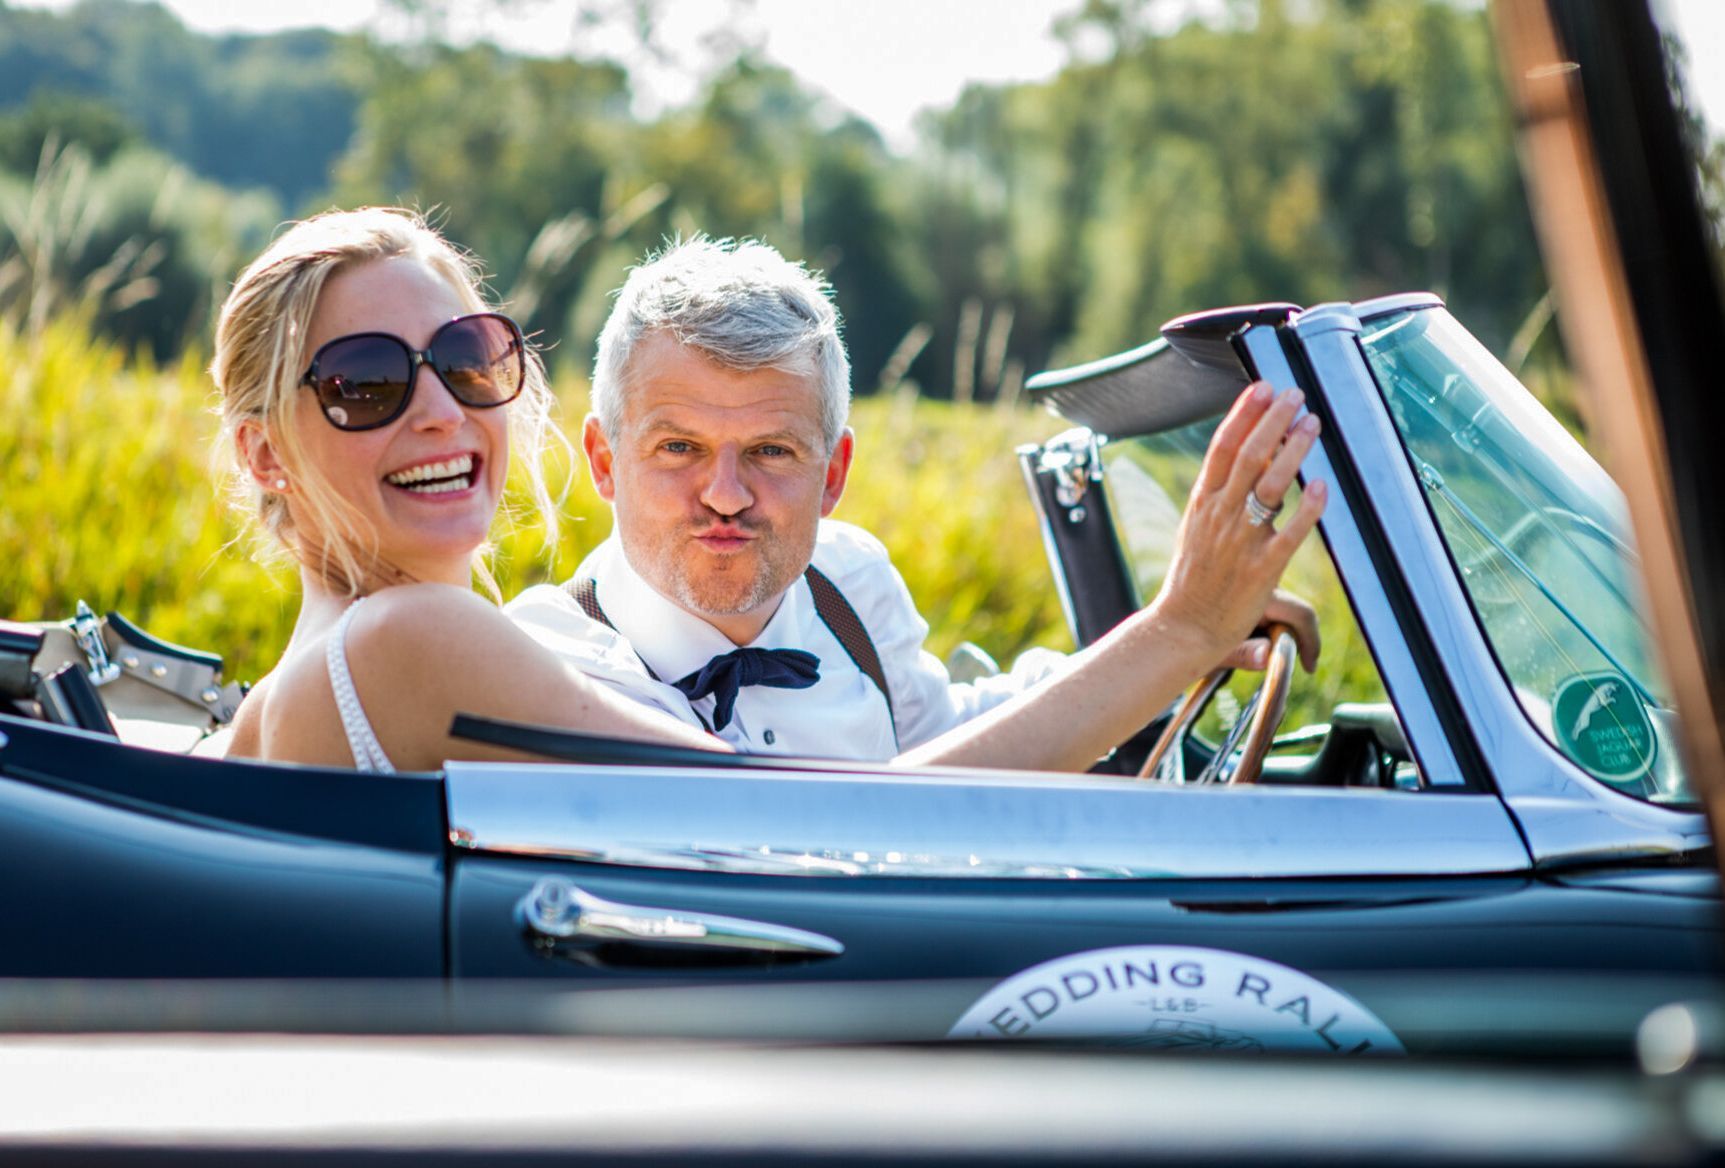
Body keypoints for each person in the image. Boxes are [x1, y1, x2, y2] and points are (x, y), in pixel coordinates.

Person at [507, 237, 1323, 771]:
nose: (725, 495)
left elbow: (943, 733)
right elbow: (838, 830)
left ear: (834, 475)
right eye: (678, 448)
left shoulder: (848, 582)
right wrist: (1171, 637)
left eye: (772, 451)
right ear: (605, 462)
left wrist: (1185, 651)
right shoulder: (545, 664)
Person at [215, 208, 721, 771]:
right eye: (366, 382)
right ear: (266, 454)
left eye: (463, 359)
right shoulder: (408, 639)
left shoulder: (261, 711)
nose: (442, 412)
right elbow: (766, 803)